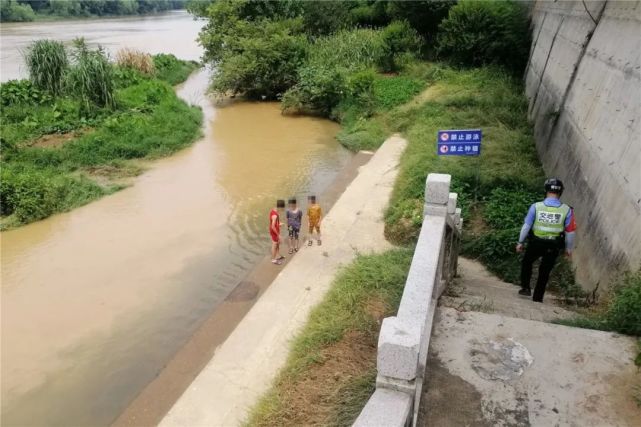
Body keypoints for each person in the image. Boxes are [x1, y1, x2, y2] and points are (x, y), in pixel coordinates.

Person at [516, 178, 577, 302]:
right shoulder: (566, 210)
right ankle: (538, 297)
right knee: (545, 270)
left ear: (546, 190)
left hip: (536, 242)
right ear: (560, 192)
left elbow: (526, 226)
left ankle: (526, 288)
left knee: (527, 262)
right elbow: (570, 232)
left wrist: (520, 242)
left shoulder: (536, 207)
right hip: (553, 245)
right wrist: (568, 249)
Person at [270, 199, 286, 265]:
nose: (282, 210)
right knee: (274, 244)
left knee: (278, 243)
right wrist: (278, 235)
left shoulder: (273, 210)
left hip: (276, 230)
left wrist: (279, 224)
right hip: (274, 232)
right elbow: (272, 226)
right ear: (280, 207)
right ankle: (273, 259)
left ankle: (278, 255)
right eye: (282, 208)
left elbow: (274, 223)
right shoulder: (275, 215)